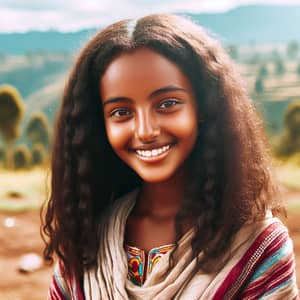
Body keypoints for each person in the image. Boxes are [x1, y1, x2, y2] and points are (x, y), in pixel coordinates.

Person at [42, 13, 298, 299]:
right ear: (99, 125)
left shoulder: (258, 248)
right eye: (121, 112)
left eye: (167, 104)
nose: (146, 130)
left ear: (204, 108)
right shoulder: (86, 240)